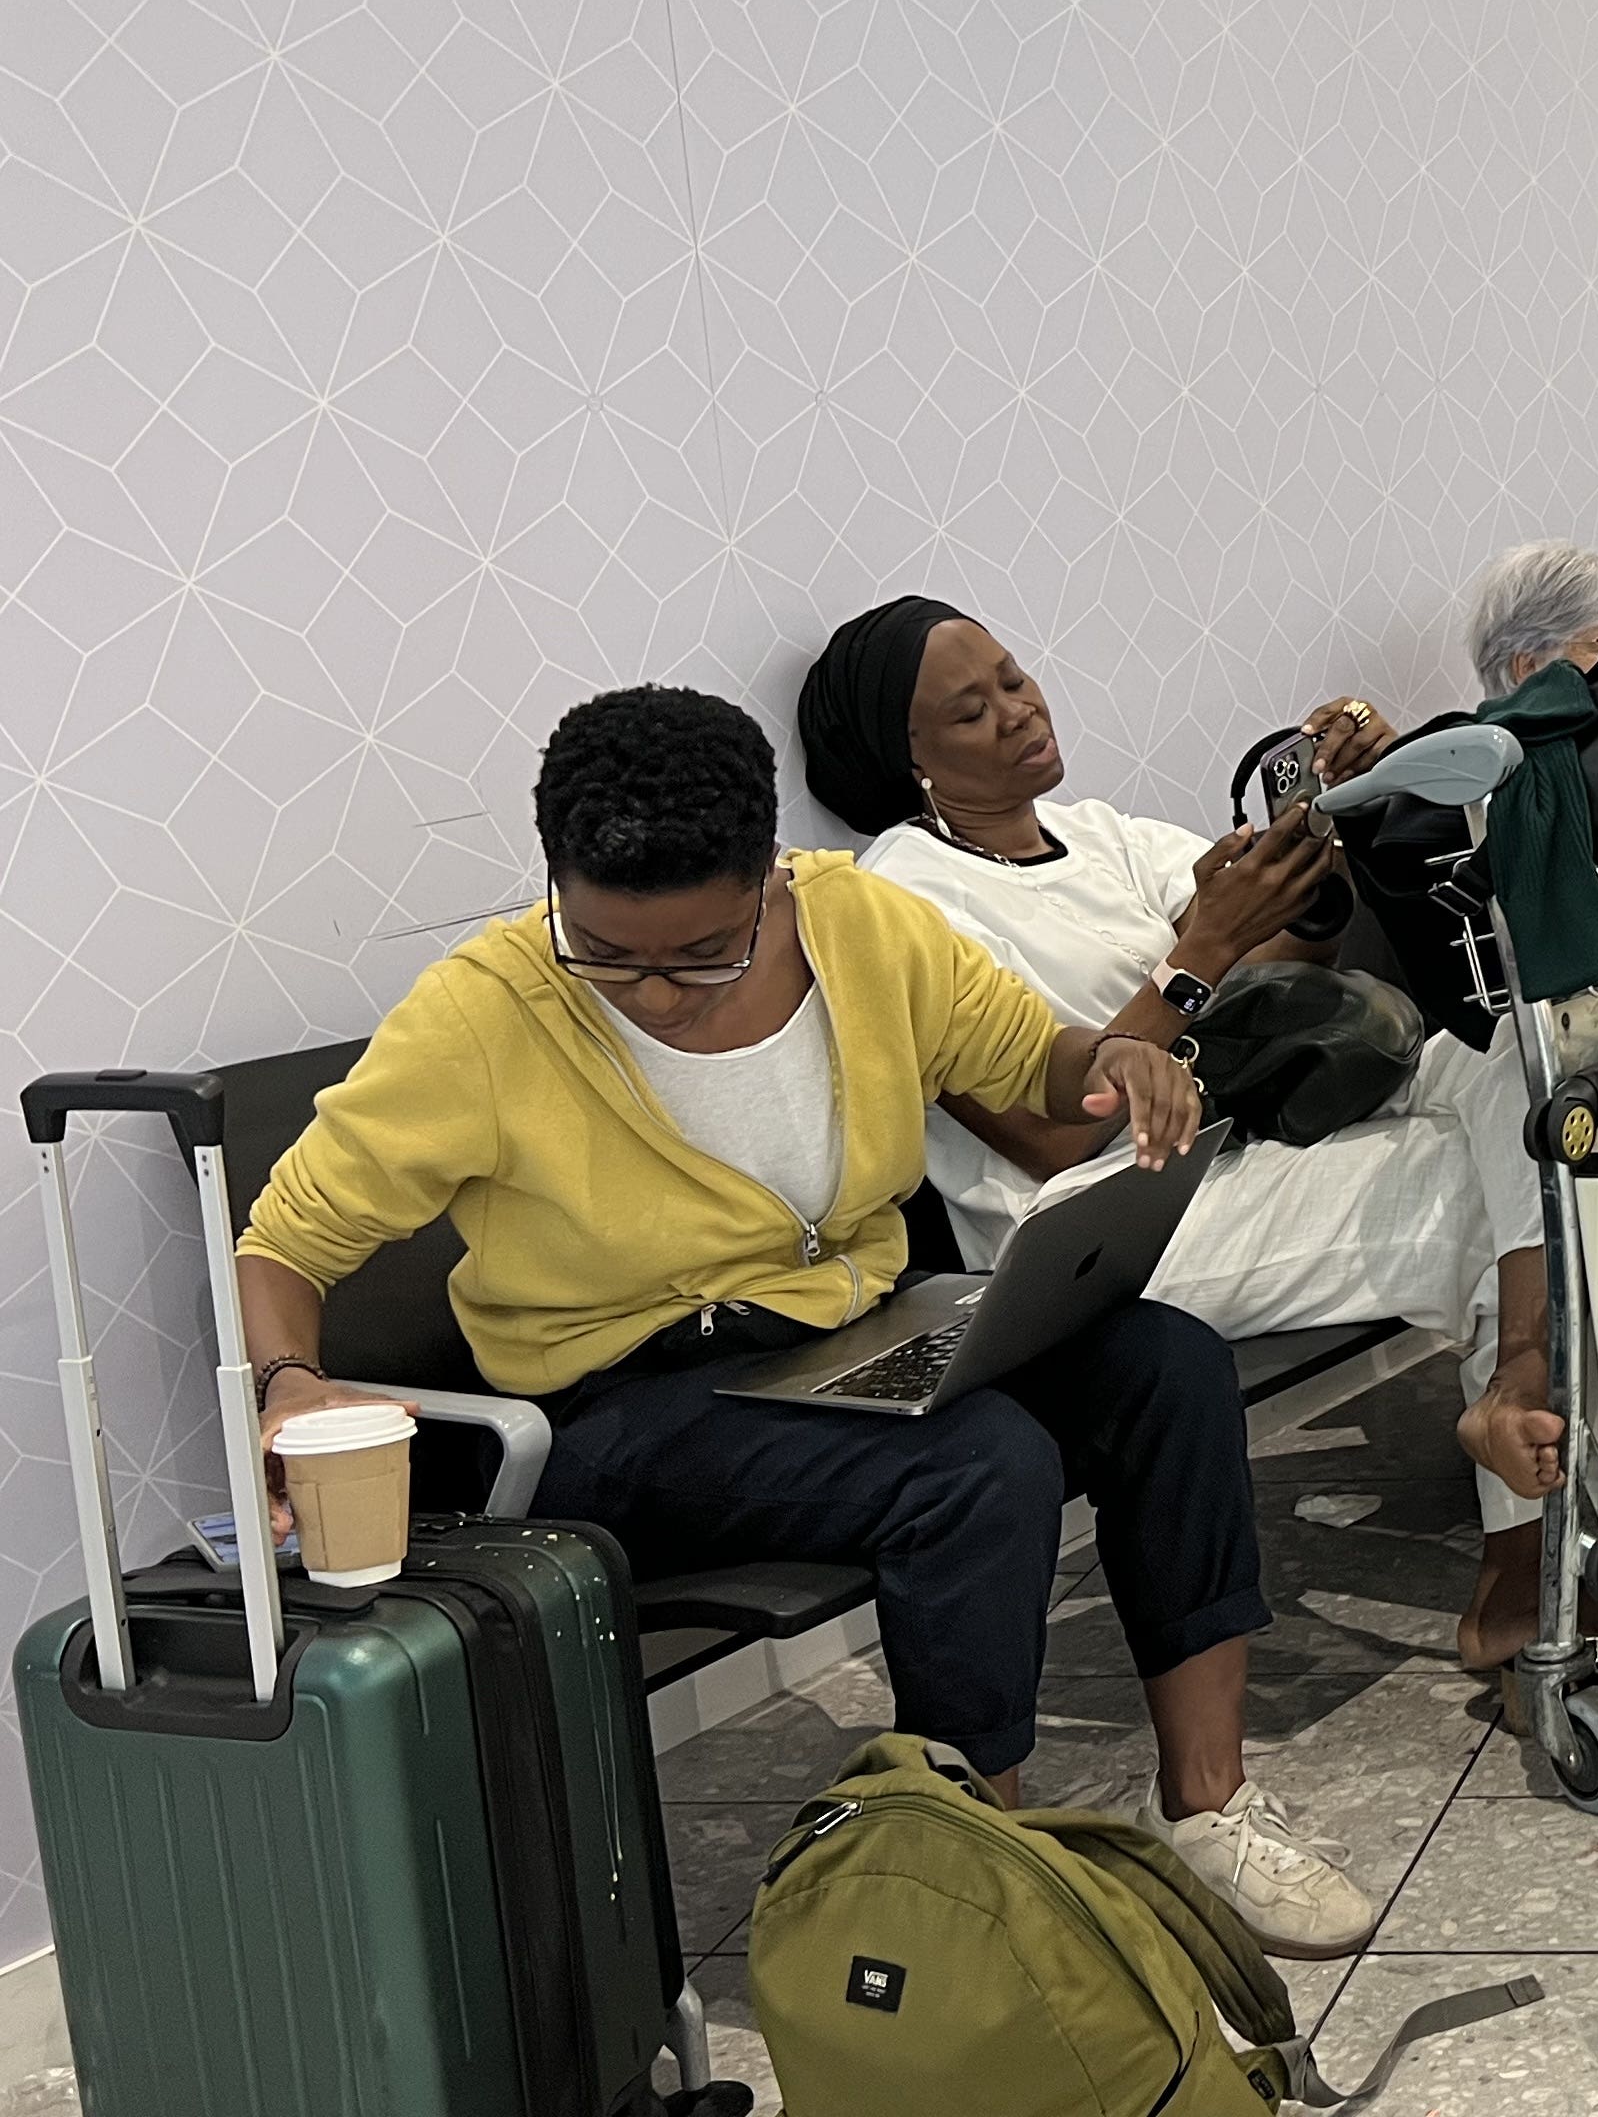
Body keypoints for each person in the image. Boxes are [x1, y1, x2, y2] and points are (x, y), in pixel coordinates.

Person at [233, 688, 1383, 1955]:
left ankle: (1207, 1807)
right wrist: (288, 1380)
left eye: (702, 954)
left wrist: (1116, 1059)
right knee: (978, 1467)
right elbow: (284, 1240)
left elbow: (1035, 1063)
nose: (654, 995)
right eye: (605, 951)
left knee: (1167, 1365)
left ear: (769, 880)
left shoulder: (862, 927)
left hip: (841, 1344)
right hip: (618, 1413)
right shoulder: (486, 1013)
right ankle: (979, 1901)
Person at [798, 594, 1598, 1698]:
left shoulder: (1099, 835)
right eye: (972, 712)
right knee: (1497, 1193)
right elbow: (1052, 1137)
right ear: (911, 762)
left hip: (1242, 1134)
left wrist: (1325, 842)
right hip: (1109, 1219)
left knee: (1527, 1063)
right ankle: (1529, 1571)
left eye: (1014, 678)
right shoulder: (901, 895)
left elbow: (1285, 965)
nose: (1019, 711)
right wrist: (1201, 949)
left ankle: (1531, 1415)